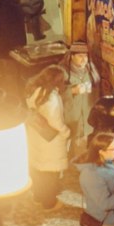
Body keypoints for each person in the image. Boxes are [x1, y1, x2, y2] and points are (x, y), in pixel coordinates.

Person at [26, 66, 72, 210]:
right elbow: (56, 122)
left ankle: (37, 196)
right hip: (51, 140)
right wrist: (66, 132)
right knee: (50, 173)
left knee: (38, 169)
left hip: (36, 135)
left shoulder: (35, 90)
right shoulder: (51, 98)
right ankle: (49, 203)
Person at [63, 43, 101, 154]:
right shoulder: (63, 72)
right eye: (80, 56)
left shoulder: (91, 72)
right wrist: (71, 91)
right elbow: (54, 94)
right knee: (69, 149)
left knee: (84, 148)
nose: (83, 59)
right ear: (71, 56)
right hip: (71, 119)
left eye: (85, 56)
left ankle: (80, 169)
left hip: (87, 120)